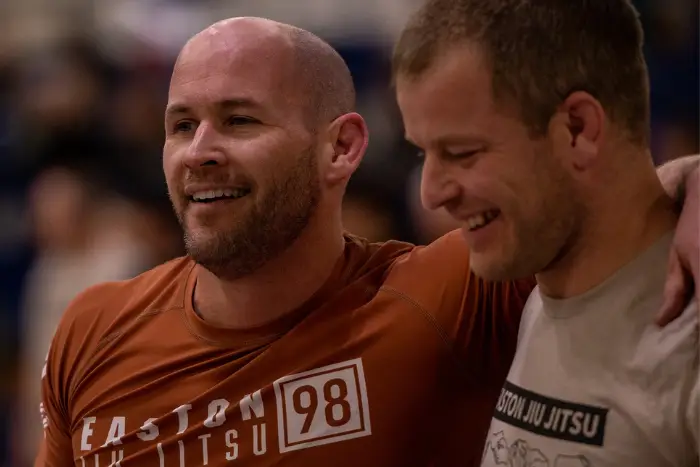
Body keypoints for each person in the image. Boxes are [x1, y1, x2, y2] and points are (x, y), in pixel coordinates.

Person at [36, 16, 696, 467]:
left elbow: (600, 203)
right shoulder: (93, 328)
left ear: (342, 148)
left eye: (239, 119)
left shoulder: (450, 293)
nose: (200, 152)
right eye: (181, 125)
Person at [391, 0, 699, 465]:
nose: (430, 195)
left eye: (463, 152)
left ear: (578, 129)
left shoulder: (685, 343)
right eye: (423, 155)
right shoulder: (540, 282)